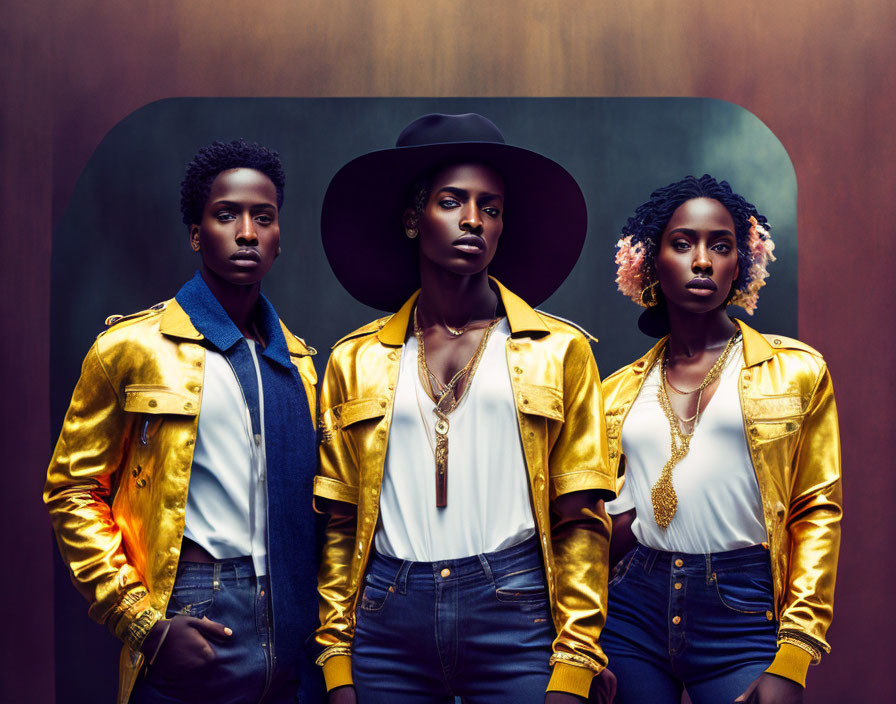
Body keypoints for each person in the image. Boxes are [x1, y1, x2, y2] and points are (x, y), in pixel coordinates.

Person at [312, 112, 616, 704]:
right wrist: (335, 661)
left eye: (491, 207)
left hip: (515, 607)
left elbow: (580, 519)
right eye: (453, 201)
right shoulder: (355, 360)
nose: (473, 220)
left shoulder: (559, 351)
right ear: (412, 219)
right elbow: (340, 526)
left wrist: (577, 661)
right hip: (385, 615)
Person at [44, 139, 323, 703]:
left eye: (263, 218)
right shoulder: (130, 349)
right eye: (226, 215)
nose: (246, 232)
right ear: (197, 234)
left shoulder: (301, 366)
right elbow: (72, 491)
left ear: (278, 238)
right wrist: (144, 625)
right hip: (196, 605)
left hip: (294, 616)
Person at [592, 175, 841, 704]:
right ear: (650, 262)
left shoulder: (795, 372)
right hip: (633, 605)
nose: (702, 260)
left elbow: (817, 510)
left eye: (720, 246)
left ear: (741, 264)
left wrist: (794, 655)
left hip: (742, 604)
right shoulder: (615, 391)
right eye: (682, 244)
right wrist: (580, 641)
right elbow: (598, 515)